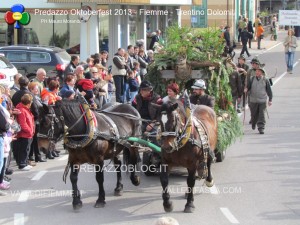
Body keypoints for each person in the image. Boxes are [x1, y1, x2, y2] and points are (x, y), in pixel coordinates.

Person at [245, 68, 273, 134]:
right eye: (256, 71)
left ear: (262, 73)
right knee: (254, 114)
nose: (257, 72)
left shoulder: (265, 80)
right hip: (253, 100)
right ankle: (253, 123)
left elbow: (269, 90)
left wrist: (270, 100)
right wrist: (246, 89)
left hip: (262, 100)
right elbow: (248, 87)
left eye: (259, 71)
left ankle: (261, 128)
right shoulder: (252, 79)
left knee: (262, 115)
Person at [14, 94, 35, 170]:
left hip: (28, 134)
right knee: (24, 150)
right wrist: (29, 131)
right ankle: (22, 164)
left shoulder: (24, 109)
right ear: (28, 103)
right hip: (24, 134)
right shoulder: (22, 110)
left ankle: (25, 162)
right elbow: (23, 124)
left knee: (27, 149)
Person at [28, 82, 46, 163]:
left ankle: (33, 156)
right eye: (36, 88)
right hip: (35, 121)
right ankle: (37, 156)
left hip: (37, 120)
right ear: (31, 89)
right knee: (36, 140)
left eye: (38, 88)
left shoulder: (36, 97)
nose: (37, 90)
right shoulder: (32, 97)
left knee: (35, 140)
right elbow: (35, 110)